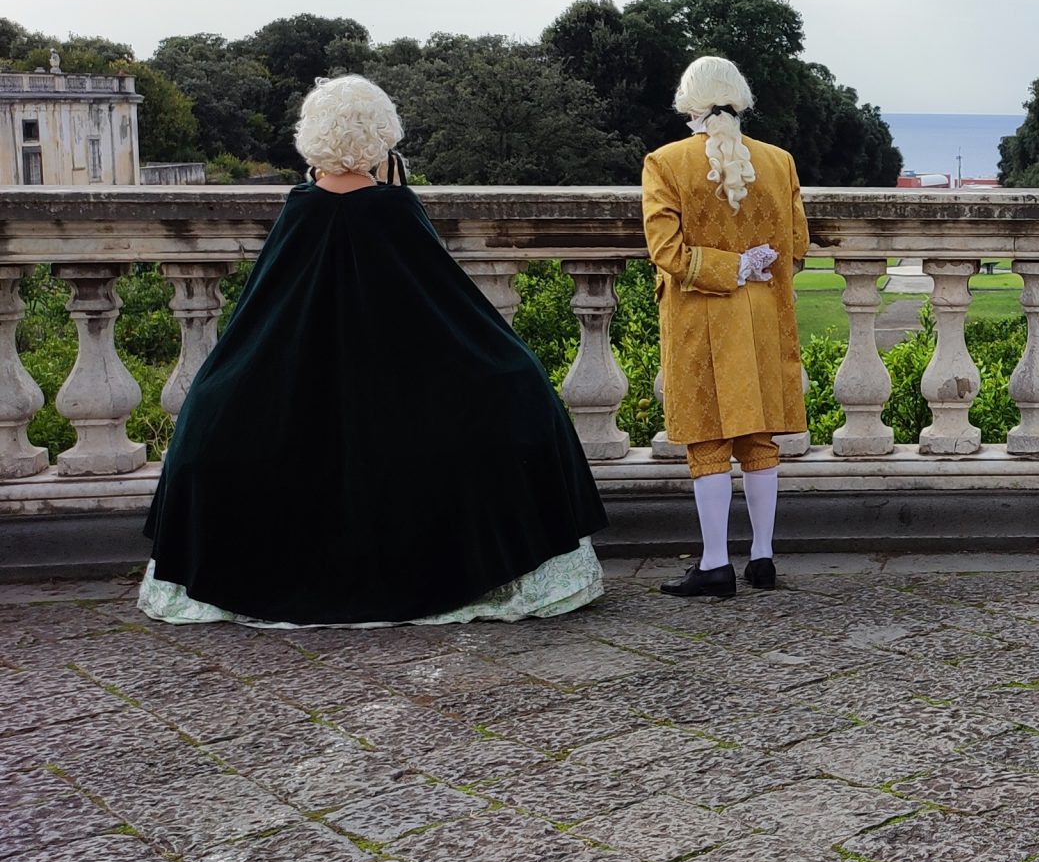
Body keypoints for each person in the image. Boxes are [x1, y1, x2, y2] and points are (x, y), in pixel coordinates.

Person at [140, 76, 608, 627]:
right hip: (398, 396)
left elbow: (262, 319)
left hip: (304, 397)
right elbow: (450, 310)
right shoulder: (392, 210)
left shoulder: (302, 209)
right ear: (381, 136)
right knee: (517, 391)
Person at [645, 56, 809, 598]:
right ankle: (762, 557)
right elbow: (798, 248)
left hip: (699, 316)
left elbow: (666, 251)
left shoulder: (664, 162)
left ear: (686, 104)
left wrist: (723, 268)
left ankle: (715, 562)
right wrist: (749, 264)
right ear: (742, 99)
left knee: (709, 440)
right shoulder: (780, 161)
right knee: (759, 437)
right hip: (762, 315)